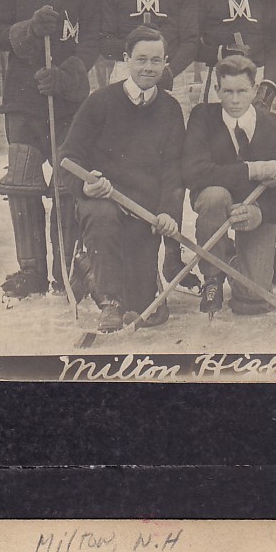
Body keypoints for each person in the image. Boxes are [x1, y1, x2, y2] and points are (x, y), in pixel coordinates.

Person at [0, 0, 100, 297]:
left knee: (67, 186)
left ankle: (66, 272)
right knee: (23, 185)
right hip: (22, 102)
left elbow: (94, 41)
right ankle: (31, 272)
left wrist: (69, 75)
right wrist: (30, 29)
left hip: (68, 105)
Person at [59, 26, 186, 332]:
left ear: (165, 62)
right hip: (103, 203)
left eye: (156, 61)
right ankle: (109, 304)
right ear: (127, 59)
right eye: (141, 59)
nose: (148, 67)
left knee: (147, 310)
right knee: (102, 218)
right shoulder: (99, 101)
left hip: (144, 213)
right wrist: (86, 185)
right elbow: (68, 158)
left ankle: (88, 269)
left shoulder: (170, 108)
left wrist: (169, 212)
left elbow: (174, 170)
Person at [182, 53, 276, 316]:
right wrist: (252, 170)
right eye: (227, 91)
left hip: (255, 210)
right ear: (217, 90)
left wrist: (263, 213)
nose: (234, 100)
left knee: (252, 301)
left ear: (255, 90)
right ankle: (213, 276)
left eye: (241, 91)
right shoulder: (203, 116)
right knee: (215, 196)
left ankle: (232, 257)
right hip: (216, 204)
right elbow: (193, 173)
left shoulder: (274, 124)